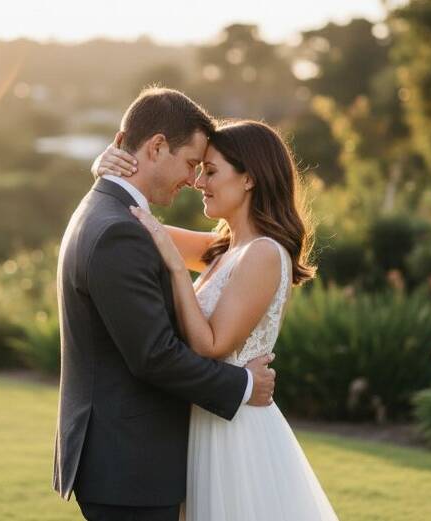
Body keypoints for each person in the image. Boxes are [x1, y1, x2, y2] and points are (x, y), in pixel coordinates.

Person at [94, 118, 340, 520]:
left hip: (235, 431)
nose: (198, 182)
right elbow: (130, 219)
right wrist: (104, 169)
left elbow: (211, 345)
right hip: (206, 420)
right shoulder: (221, 250)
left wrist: (177, 270)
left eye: (210, 171)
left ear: (249, 180)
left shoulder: (263, 253)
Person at [53, 87, 277, 521]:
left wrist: (105, 169)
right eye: (194, 164)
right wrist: (244, 385)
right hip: (130, 463)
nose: (195, 181)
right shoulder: (120, 229)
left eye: (208, 170)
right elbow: (154, 356)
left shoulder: (111, 215)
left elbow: (234, 252)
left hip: (131, 459)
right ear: (157, 146)